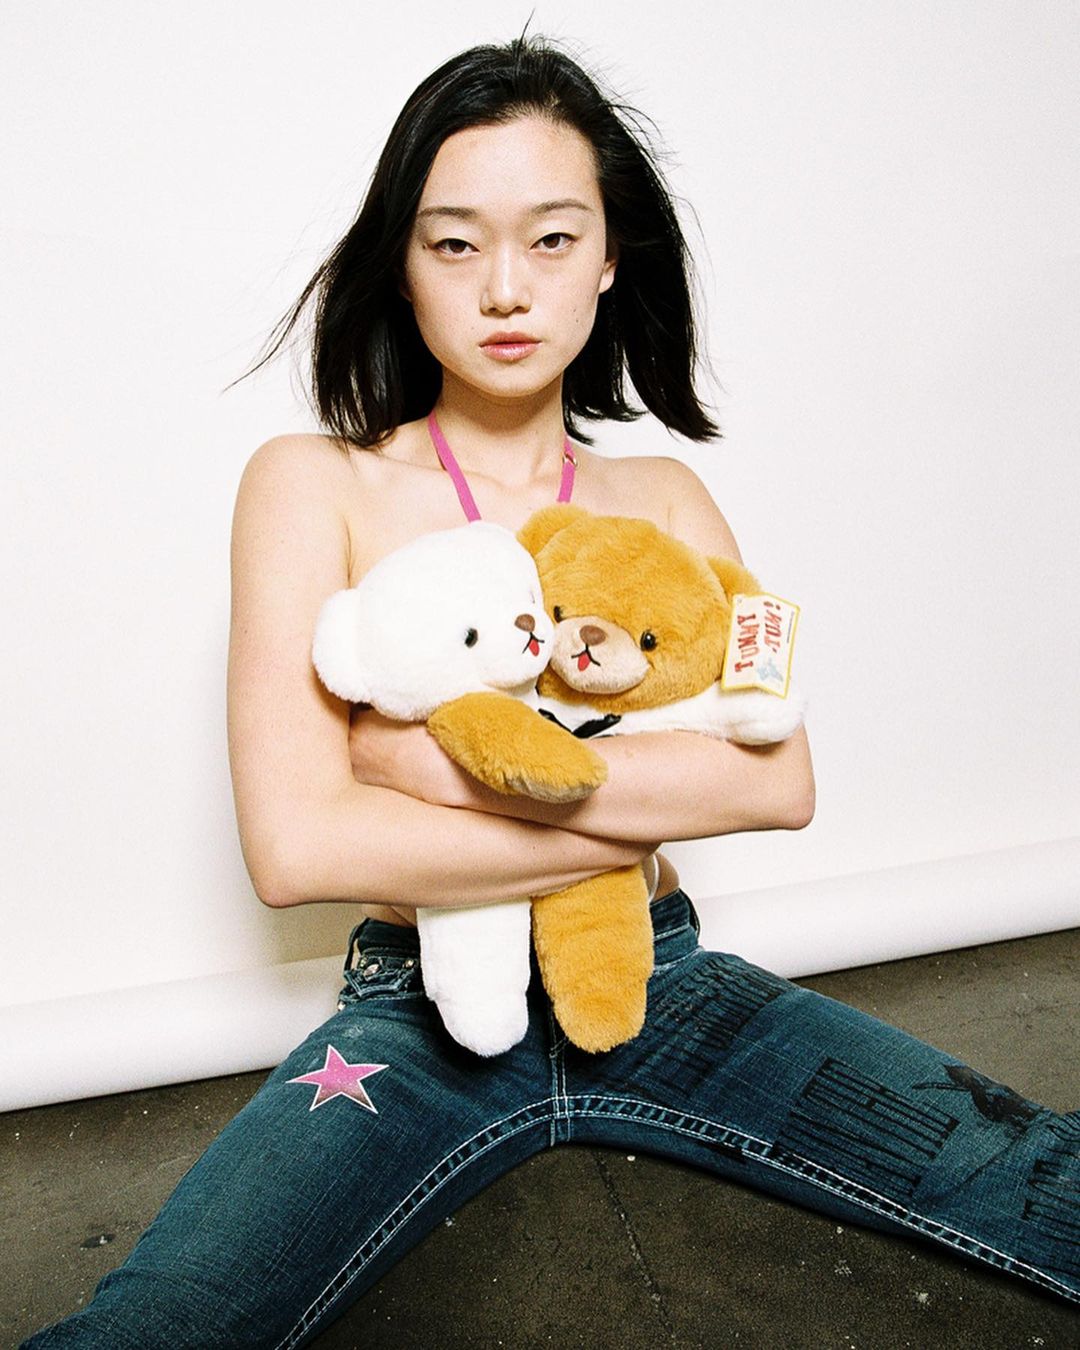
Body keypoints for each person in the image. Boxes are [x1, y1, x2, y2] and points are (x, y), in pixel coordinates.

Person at [24, 33, 1079, 1348]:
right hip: (415, 1010)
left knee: (1043, 1176)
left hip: (660, 975)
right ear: (401, 264)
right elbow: (297, 848)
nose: (506, 287)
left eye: (553, 238)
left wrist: (421, 766)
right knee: (162, 1324)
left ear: (610, 256)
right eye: (455, 243)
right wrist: (636, 799)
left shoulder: (667, 499)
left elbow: (779, 780)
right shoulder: (315, 484)